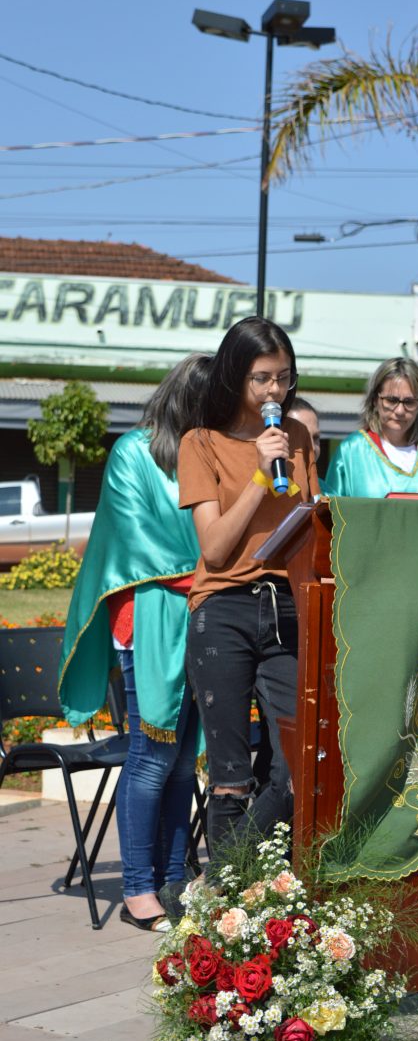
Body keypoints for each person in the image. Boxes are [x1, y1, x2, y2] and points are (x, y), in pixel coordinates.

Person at [59, 354, 211, 932]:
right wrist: (217, 569)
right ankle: (137, 890)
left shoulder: (211, 453)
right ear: (186, 401)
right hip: (146, 623)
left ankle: (172, 879)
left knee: (182, 764)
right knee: (152, 757)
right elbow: (140, 544)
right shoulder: (132, 452)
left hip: (203, 619)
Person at [177, 317, 319, 854]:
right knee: (231, 776)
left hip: (288, 606)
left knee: (296, 766)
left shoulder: (297, 438)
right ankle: (230, 896)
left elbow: (308, 524)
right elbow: (215, 549)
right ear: (235, 375)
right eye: (262, 378)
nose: (274, 391)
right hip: (224, 609)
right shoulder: (200, 442)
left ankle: (237, 882)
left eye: (283, 377)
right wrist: (261, 476)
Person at [324, 357, 418, 499]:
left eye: (409, 402)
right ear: (375, 400)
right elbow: (331, 513)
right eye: (391, 400)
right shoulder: (351, 453)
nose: (400, 411)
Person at [288, 396, 326, 494]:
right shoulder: (261, 490)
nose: (312, 447)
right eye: (302, 437)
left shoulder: (329, 494)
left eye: (315, 437)